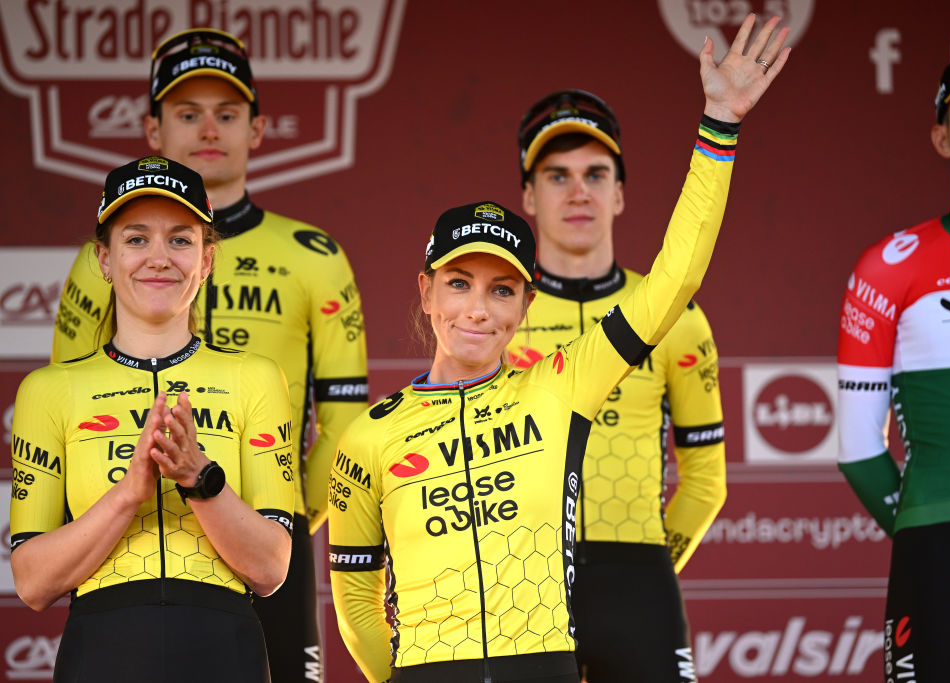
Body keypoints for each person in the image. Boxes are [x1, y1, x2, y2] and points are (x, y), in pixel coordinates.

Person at [329, 15, 789, 683]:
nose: (478, 308)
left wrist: (719, 124)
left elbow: (675, 280)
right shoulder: (371, 432)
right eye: (459, 284)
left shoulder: (558, 385)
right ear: (426, 292)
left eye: (501, 289)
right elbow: (357, 608)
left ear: (525, 306)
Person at [50, 28, 368, 681]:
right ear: (152, 128)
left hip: (266, 536)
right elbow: (63, 407)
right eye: (186, 113)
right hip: (135, 545)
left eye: (227, 113)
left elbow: (343, 418)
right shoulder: (95, 261)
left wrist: (270, 522)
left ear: (257, 129)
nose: (208, 129)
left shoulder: (315, 254)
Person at [10, 156, 294, 682]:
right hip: (102, 650)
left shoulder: (255, 378)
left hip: (223, 649)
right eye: (136, 239)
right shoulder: (49, 391)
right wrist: (126, 495)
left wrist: (198, 478)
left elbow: (271, 569)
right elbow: (31, 582)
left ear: (207, 260)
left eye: (181, 240)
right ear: (104, 258)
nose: (158, 258)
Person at [509, 88, 726, 682]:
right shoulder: (497, 317)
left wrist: (650, 566)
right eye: (557, 175)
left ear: (621, 193)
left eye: (596, 174)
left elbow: (706, 481)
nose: (579, 191)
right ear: (529, 195)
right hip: (522, 581)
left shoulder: (674, 315)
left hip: (639, 585)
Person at [837, 49, 950, 681]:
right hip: (938, 557)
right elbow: (858, 445)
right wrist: (924, 535)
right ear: (942, 137)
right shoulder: (890, 265)